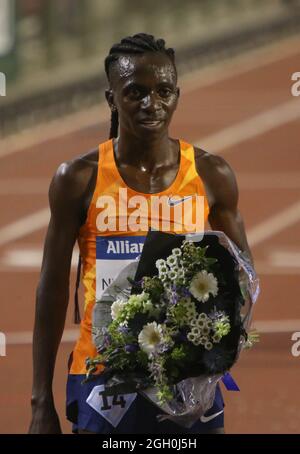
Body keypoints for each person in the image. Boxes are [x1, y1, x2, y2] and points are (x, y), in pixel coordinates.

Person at [29, 33, 253, 434]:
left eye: (164, 91)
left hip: (188, 385)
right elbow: (51, 290)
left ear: (178, 95)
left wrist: (212, 351)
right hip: (101, 378)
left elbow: (243, 278)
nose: (153, 104)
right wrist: (40, 401)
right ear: (111, 98)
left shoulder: (210, 174)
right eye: (136, 93)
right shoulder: (78, 179)